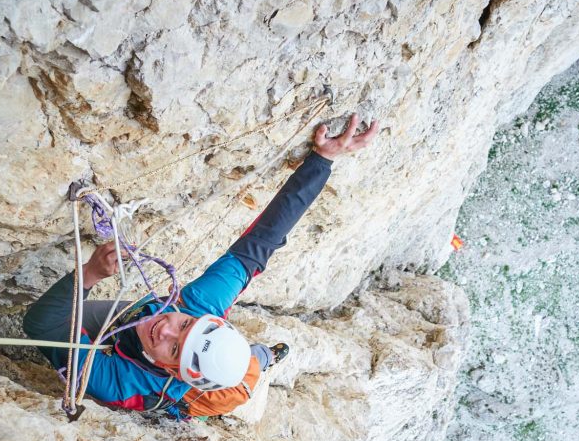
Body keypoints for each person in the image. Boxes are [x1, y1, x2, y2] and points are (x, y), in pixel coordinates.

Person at [23, 113, 379, 419]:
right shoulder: (200, 307)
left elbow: (40, 323)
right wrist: (322, 161)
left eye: (175, 349)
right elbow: (263, 241)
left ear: (172, 371)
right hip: (152, 333)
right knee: (247, 358)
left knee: (242, 381)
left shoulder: (125, 383)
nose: (165, 329)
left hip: (195, 388)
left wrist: (92, 273)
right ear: (207, 319)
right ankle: (263, 354)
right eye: (184, 325)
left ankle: (266, 357)